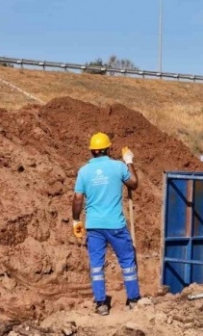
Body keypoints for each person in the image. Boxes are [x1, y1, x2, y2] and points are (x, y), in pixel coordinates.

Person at [72, 132, 141, 316]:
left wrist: (76, 220)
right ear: (108, 149)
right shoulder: (118, 167)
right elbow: (134, 184)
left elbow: (78, 198)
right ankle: (133, 300)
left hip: (94, 226)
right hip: (115, 225)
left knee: (96, 265)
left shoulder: (84, 171)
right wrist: (128, 161)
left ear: (92, 151)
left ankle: (101, 304)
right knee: (127, 261)